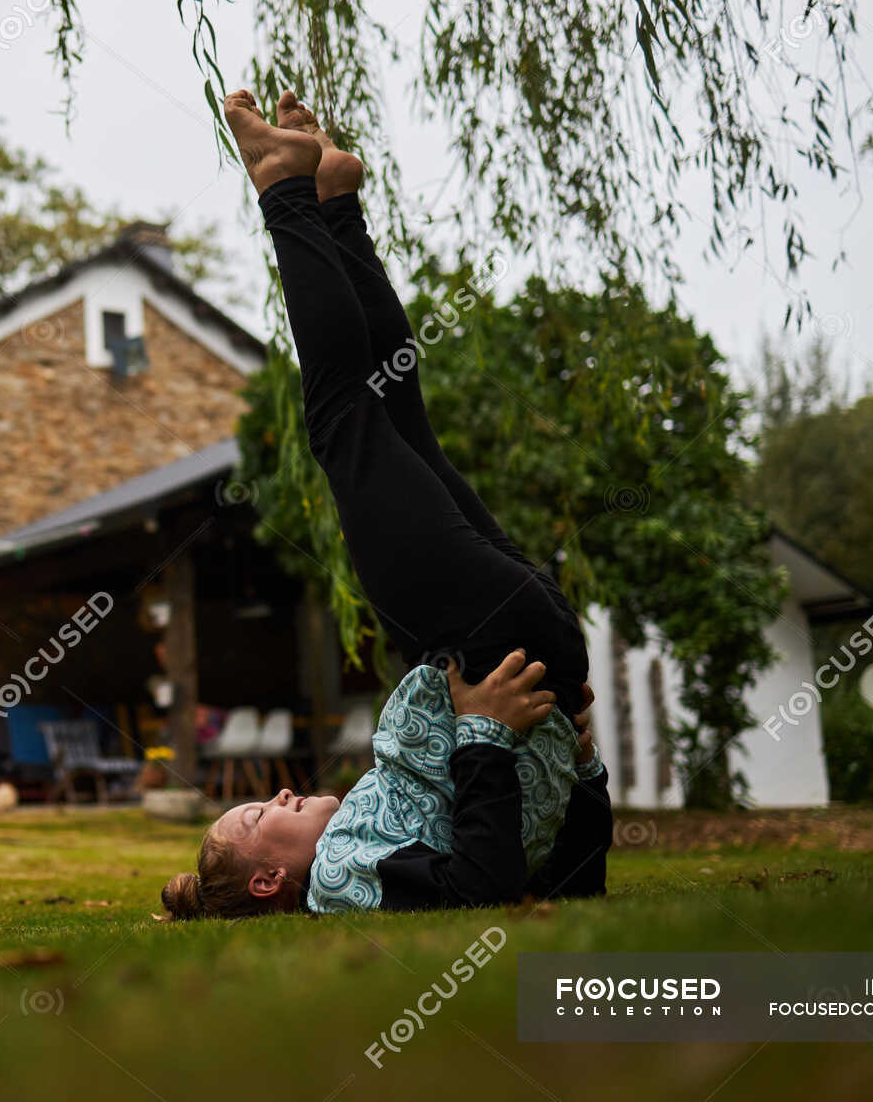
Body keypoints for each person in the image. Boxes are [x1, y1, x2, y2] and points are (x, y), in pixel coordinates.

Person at [160, 90, 612, 920]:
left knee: (392, 415)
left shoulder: (356, 852)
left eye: (266, 800)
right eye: (263, 816)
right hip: (489, 655)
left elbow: (570, 881)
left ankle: (334, 204)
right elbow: (479, 892)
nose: (286, 793)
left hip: (520, 652)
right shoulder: (336, 881)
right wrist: (498, 737)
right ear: (270, 880)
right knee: (343, 421)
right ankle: (285, 189)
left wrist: (572, 761)